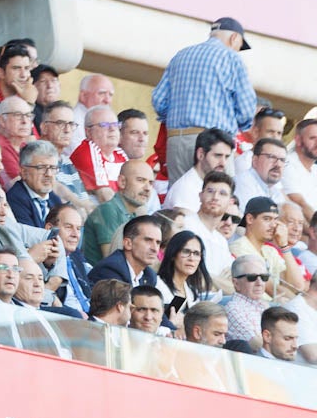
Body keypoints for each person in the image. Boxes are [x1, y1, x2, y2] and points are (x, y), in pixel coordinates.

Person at [153, 19, 256, 185]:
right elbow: (246, 110)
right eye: (239, 45)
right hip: (214, 143)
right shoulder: (231, 58)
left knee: (180, 201)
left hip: (176, 141)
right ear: (234, 38)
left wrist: (177, 120)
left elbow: (159, 100)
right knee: (219, 200)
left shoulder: (181, 55)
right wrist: (233, 124)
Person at [88, 215, 163, 288]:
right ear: (128, 243)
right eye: (148, 240)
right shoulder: (110, 269)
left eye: (158, 242)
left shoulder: (149, 275)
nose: (155, 248)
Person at [156, 230, 212, 322]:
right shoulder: (158, 284)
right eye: (186, 252)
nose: (191, 258)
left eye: (196, 253)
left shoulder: (191, 292)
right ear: (173, 254)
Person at [222, 254, 273, 343]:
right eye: (252, 278)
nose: (260, 283)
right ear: (236, 283)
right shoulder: (233, 309)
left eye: (264, 277)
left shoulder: (264, 306)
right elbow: (258, 344)